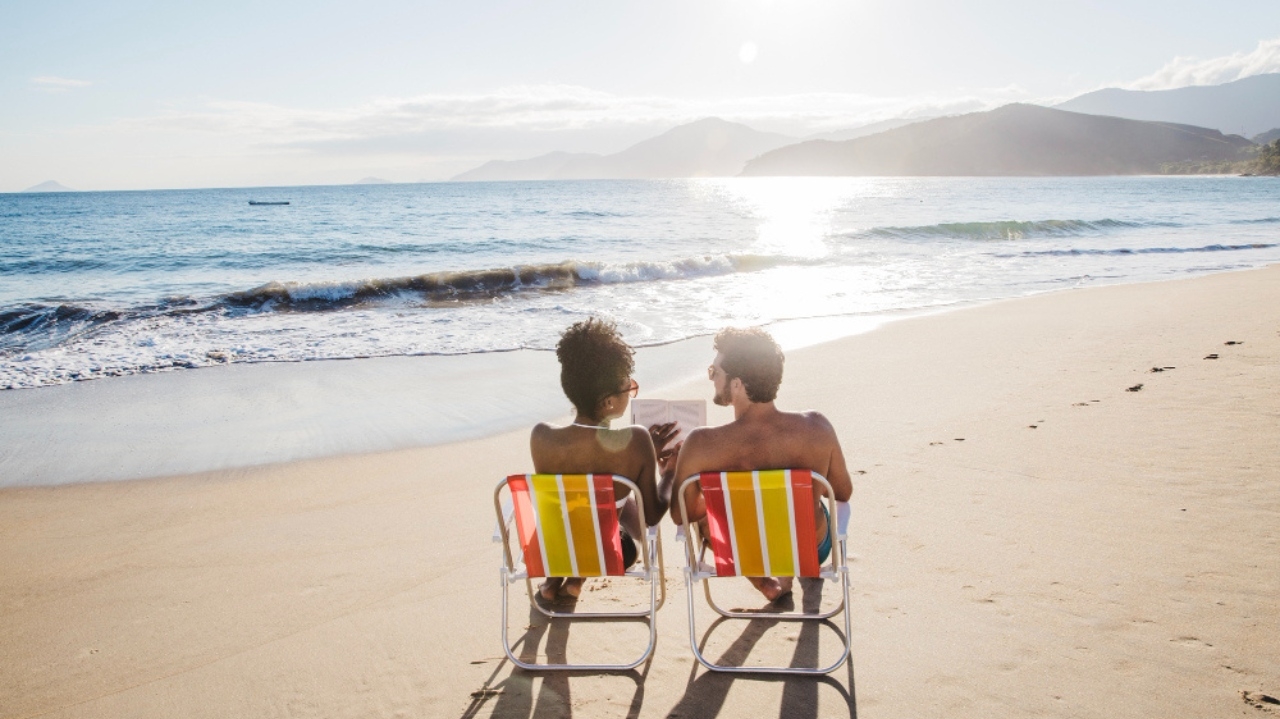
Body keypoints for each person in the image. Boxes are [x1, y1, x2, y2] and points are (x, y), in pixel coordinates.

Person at [670, 326, 853, 602]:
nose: (712, 378)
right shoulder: (817, 427)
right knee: (808, 502)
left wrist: (675, 472)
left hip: (742, 550)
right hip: (809, 548)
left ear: (737, 384)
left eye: (714, 372)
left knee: (713, 512)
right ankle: (788, 568)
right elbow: (841, 492)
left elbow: (679, 514)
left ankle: (766, 579)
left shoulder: (701, 444)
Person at [530, 317, 679, 601]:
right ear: (609, 400)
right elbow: (652, 515)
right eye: (628, 388)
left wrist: (642, 452)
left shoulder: (541, 436)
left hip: (554, 552)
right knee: (621, 502)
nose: (631, 392)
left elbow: (557, 504)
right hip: (611, 554)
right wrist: (669, 473)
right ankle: (576, 579)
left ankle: (556, 580)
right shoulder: (636, 441)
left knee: (572, 508)